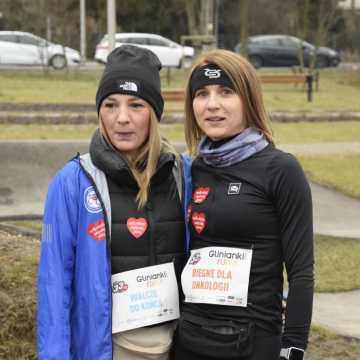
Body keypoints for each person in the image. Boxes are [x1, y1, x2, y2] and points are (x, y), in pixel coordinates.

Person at [37, 45, 187, 360]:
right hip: (106, 350)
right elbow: (54, 284)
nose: (122, 118)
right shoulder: (73, 182)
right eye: (110, 105)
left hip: (179, 346)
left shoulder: (183, 176)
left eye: (136, 105)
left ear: (154, 113)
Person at [173, 49, 314, 360]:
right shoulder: (188, 169)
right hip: (189, 341)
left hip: (254, 345)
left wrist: (293, 349)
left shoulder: (281, 170)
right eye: (202, 93)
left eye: (226, 92)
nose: (212, 105)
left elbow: (302, 273)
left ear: (248, 99)